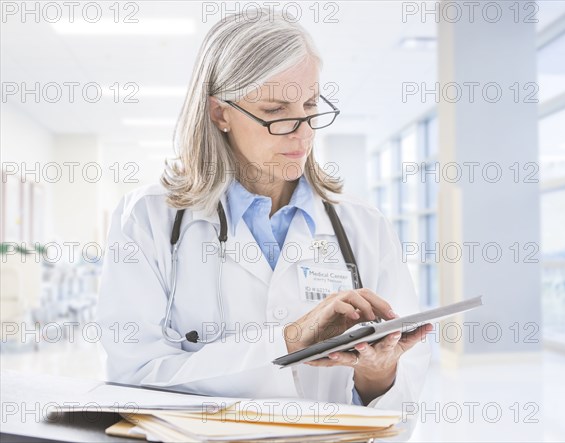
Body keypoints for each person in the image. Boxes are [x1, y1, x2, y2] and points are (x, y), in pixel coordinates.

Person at [97, 7, 432, 435]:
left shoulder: (362, 225)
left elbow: (397, 398)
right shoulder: (148, 219)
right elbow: (131, 376)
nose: (303, 131)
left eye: (310, 104)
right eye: (276, 110)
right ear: (220, 114)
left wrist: (378, 374)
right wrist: (289, 341)